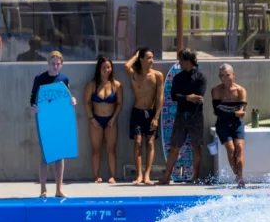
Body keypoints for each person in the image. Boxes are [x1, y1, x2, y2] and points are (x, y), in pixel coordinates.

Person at [30, 51, 77, 197]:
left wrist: (73, 100)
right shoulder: (40, 79)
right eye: (53, 64)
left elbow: (67, 97)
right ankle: (43, 188)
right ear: (48, 64)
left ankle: (58, 189)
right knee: (45, 154)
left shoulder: (64, 79)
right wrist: (33, 106)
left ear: (61, 64)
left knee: (59, 154)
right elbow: (33, 98)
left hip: (59, 119)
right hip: (45, 119)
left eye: (58, 64)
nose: (55, 66)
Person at [159, 50, 206, 185]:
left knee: (196, 146)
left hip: (195, 116)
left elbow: (199, 97)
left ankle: (195, 176)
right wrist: (188, 97)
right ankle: (166, 177)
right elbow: (174, 96)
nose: (179, 63)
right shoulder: (178, 77)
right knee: (174, 146)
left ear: (188, 61)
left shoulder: (200, 77)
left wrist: (186, 97)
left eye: (181, 60)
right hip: (181, 116)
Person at [123, 47, 164, 185]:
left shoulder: (157, 75)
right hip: (137, 112)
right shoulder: (135, 74)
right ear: (141, 60)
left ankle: (147, 175)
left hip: (151, 113)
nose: (152, 60)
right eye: (148, 58)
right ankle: (139, 175)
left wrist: (156, 117)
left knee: (150, 143)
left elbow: (160, 97)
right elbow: (126, 66)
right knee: (138, 142)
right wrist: (135, 56)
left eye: (152, 57)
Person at [83, 55, 123, 183]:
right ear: (99, 69)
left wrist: (114, 118)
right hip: (96, 120)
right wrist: (91, 118)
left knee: (111, 149)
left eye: (109, 67)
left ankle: (113, 176)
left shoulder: (116, 85)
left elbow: (119, 103)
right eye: (104, 68)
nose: (107, 70)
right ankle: (96, 176)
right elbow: (86, 103)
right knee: (96, 149)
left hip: (111, 120)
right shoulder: (92, 85)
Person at [211, 63, 247, 188]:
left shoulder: (240, 90)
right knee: (231, 149)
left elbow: (242, 111)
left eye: (227, 75)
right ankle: (238, 176)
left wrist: (228, 110)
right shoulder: (216, 90)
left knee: (239, 148)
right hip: (222, 124)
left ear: (233, 75)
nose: (225, 78)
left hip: (237, 124)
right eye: (222, 76)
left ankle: (240, 177)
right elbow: (217, 110)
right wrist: (234, 112)